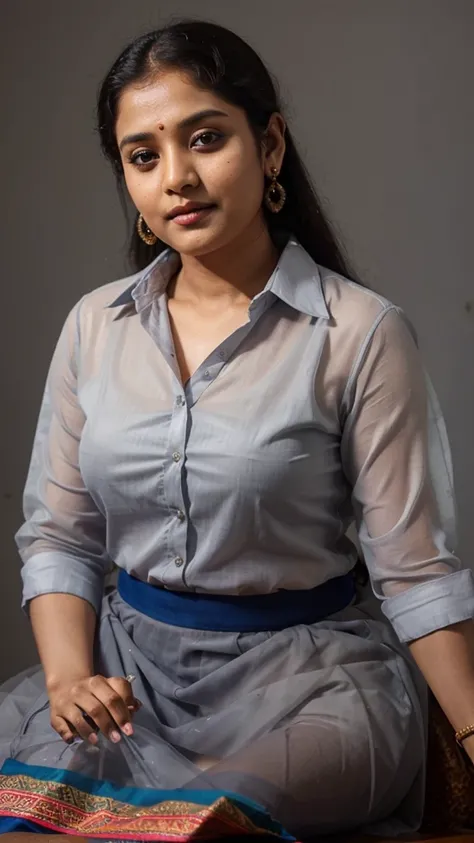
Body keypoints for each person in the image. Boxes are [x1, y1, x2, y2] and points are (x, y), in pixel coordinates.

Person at [1, 18, 474, 843]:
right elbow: (59, 535)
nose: (176, 177)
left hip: (313, 687)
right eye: (143, 156)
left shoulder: (360, 333)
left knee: (194, 826)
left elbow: (416, 571)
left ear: (272, 144)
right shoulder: (94, 327)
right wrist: (71, 677)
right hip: (125, 672)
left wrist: (471, 728)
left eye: (206, 138)